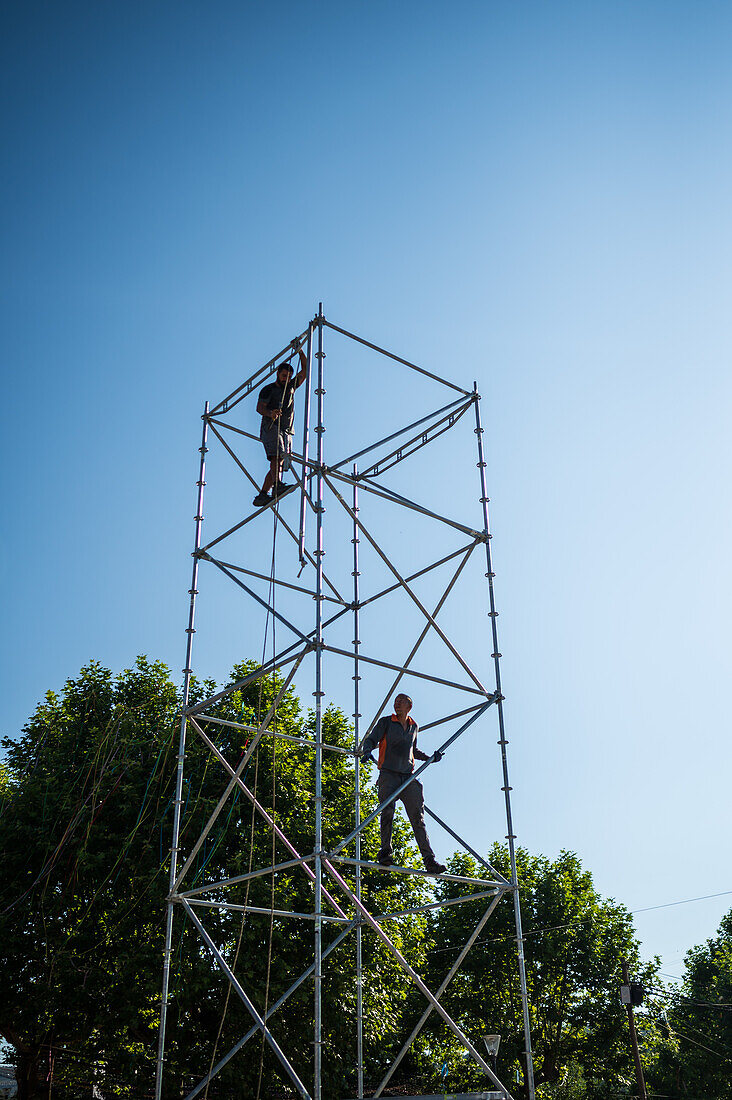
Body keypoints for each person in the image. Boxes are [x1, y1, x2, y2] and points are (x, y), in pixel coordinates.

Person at [357, 693, 446, 874]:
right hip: (388, 775)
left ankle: (429, 860)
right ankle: (385, 854)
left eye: (401, 702)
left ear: (409, 707)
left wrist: (430, 758)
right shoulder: (386, 722)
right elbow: (371, 740)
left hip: (407, 776)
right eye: (395, 702)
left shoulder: (414, 726)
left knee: (418, 818)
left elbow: (413, 750)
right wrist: (367, 751)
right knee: (387, 811)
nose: (397, 704)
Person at [253, 339, 308, 508]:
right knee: (276, 457)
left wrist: (300, 351)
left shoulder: (291, 387)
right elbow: (259, 407)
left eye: (289, 376)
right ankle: (277, 486)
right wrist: (271, 413)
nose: (287, 379)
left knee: (279, 462)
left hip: (286, 430)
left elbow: (304, 371)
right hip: (271, 427)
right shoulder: (269, 389)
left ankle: (263, 495)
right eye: (284, 376)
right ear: (278, 374)